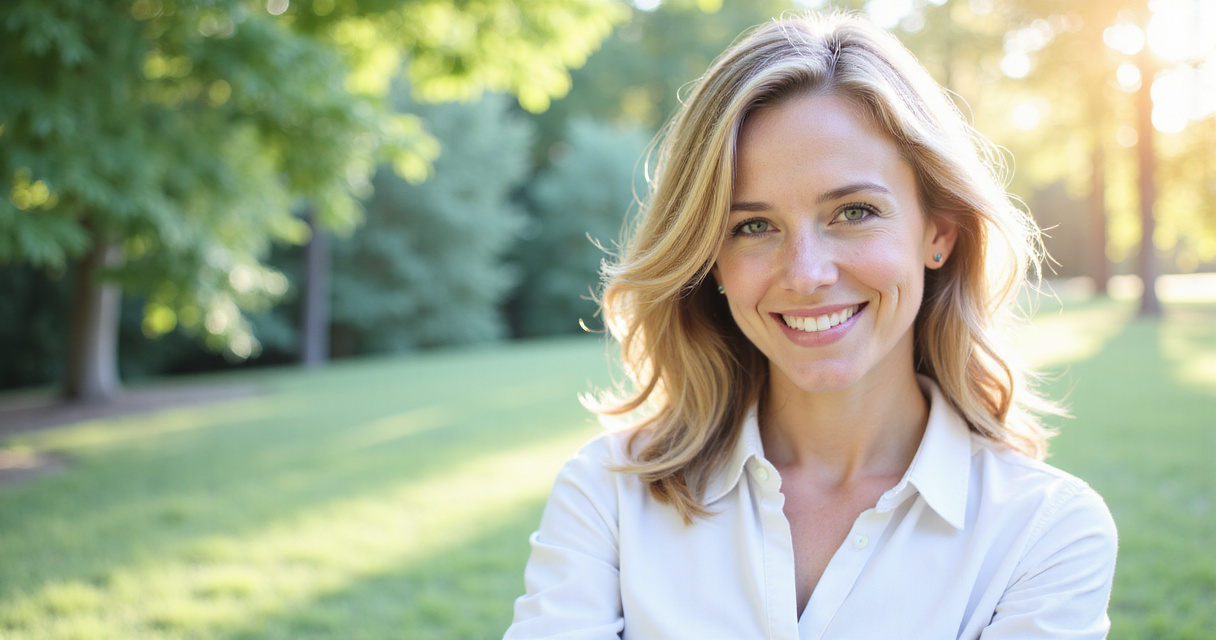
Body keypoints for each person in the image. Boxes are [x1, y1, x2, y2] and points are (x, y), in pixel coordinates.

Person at [505, 11, 1117, 640]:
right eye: (752, 226)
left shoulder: (1047, 531)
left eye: (853, 211)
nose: (805, 273)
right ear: (708, 258)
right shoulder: (609, 495)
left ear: (938, 232)